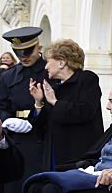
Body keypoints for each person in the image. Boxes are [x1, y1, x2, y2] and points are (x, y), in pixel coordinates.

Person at [0, 27, 48, 193]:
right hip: (19, 144)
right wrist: (7, 120)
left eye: (28, 51)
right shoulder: (8, 76)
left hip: (43, 139)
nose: (24, 57)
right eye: (19, 53)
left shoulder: (48, 72)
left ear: (38, 46)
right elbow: (0, 105)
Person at [28, 38, 104, 171]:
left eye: (48, 62)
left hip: (78, 156)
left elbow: (85, 112)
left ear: (62, 62)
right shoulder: (54, 88)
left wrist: (55, 102)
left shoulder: (87, 79)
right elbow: (39, 127)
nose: (45, 67)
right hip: (53, 154)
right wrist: (39, 101)